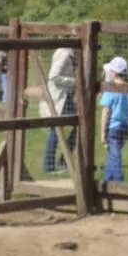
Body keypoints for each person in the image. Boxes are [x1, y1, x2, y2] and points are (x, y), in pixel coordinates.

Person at [41, 44, 78, 173]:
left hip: (64, 97)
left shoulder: (65, 52)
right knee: (59, 129)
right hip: (61, 98)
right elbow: (54, 76)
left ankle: (60, 161)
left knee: (73, 127)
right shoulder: (64, 53)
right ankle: (54, 164)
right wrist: (74, 82)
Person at [100, 56, 128, 183]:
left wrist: (102, 132)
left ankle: (119, 181)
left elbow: (105, 112)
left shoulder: (110, 88)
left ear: (113, 72)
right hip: (125, 126)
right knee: (112, 152)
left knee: (115, 155)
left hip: (113, 127)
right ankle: (107, 179)